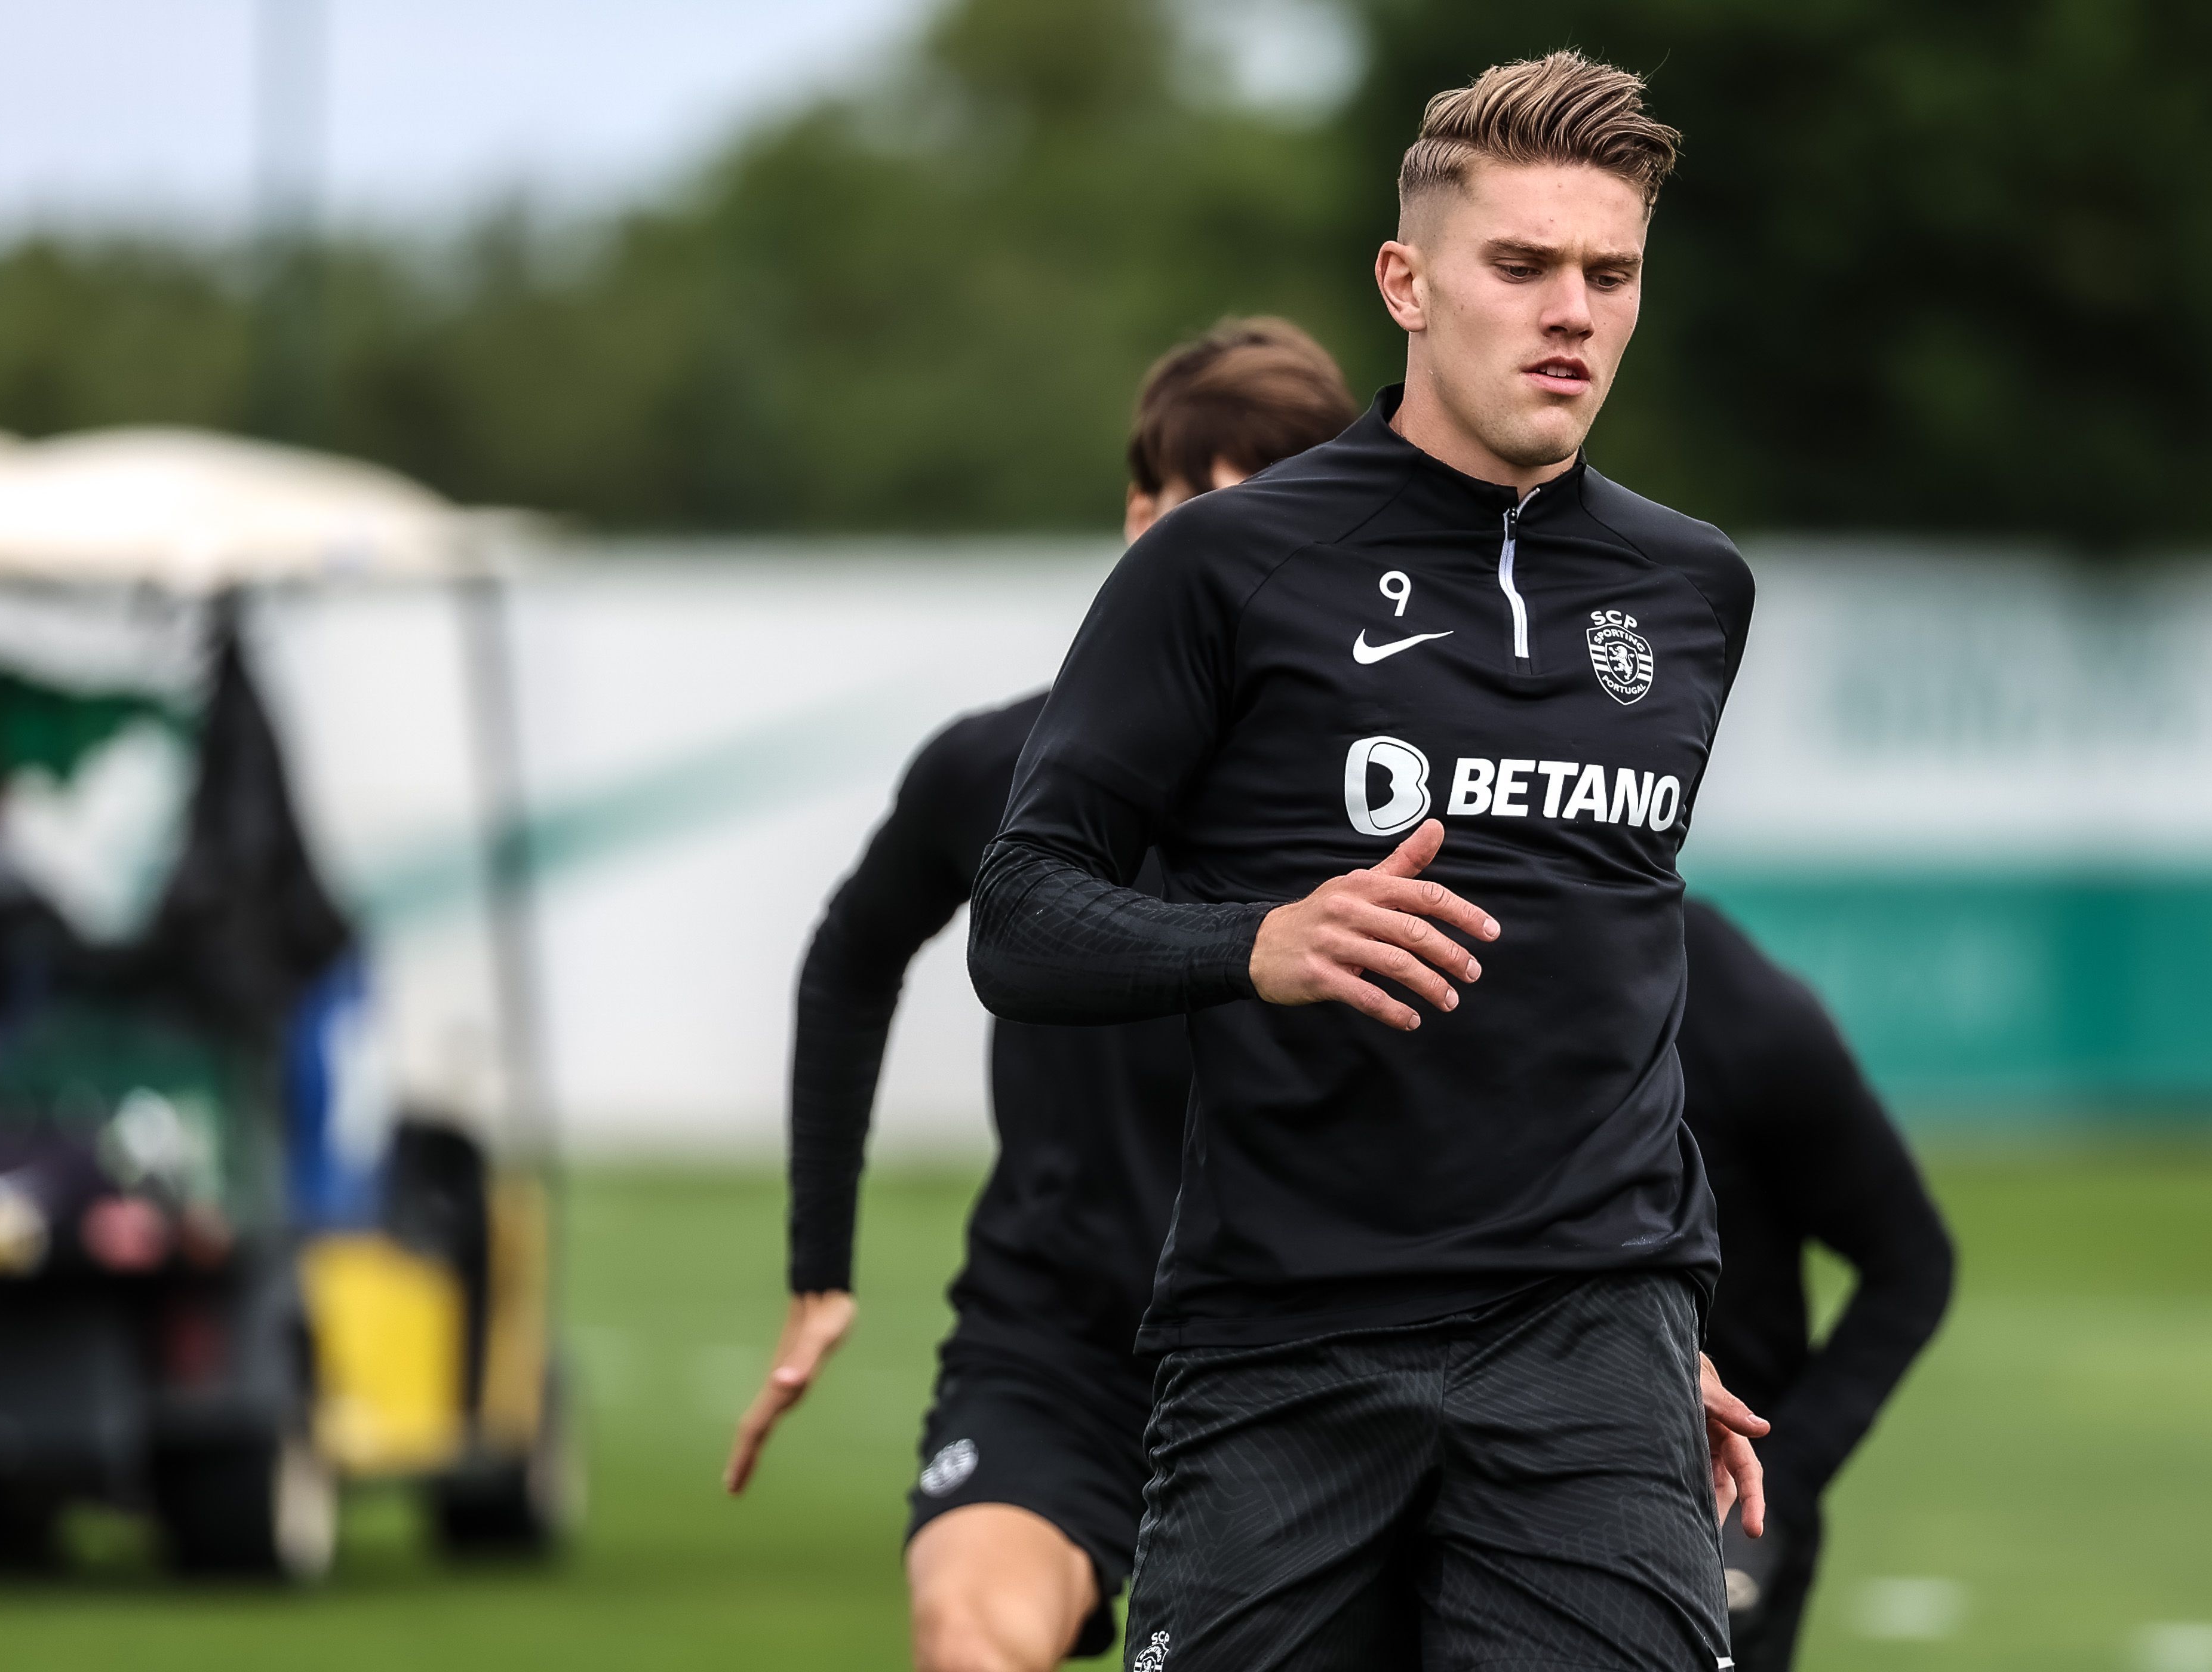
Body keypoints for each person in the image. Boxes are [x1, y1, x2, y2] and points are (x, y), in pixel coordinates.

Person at [972, 50, 1768, 1672]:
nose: (1572, 312)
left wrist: (1657, 1329)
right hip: (1284, 1349)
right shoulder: (1222, 566)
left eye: (1609, 274)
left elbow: (1608, 969)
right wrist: (1252, 943)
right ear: (1407, 283)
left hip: (1591, 1345)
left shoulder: (1693, 588)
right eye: (1522, 266)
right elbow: (1021, 913)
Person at [723, 318, 1360, 1672]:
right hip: (1060, 1341)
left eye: (1283, 517)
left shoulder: (1395, 794)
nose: (1240, 558)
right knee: (967, 1633)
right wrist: (820, 1266)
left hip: (1322, 1353)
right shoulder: (999, 768)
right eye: (1205, 511)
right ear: (1141, 518)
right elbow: (852, 953)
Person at [1679, 899, 1955, 1670]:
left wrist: (1783, 1484)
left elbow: (1912, 1263)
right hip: (1494, 1477)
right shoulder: (1459, 971)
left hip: (1715, 1501)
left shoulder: (1748, 1018)